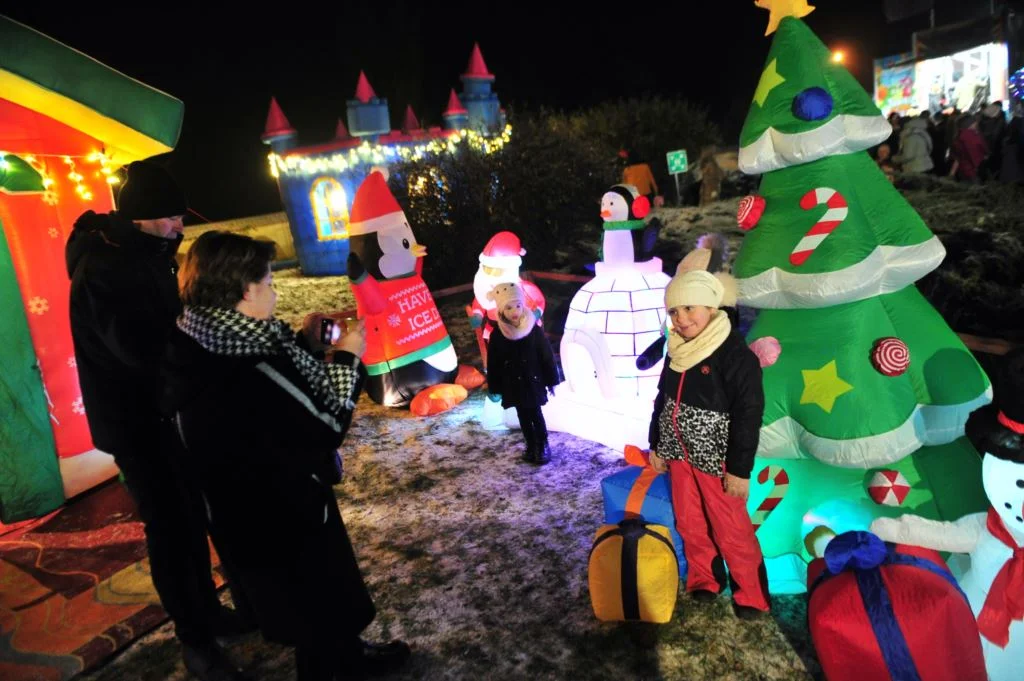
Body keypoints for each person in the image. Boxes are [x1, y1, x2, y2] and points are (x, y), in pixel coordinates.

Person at [163, 231, 410, 681]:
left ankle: (348, 655)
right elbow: (325, 425)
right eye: (268, 283)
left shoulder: (207, 341)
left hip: (249, 514)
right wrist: (347, 359)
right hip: (282, 517)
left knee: (313, 610)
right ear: (245, 291)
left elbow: (273, 398)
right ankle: (338, 666)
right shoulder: (248, 362)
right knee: (317, 612)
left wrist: (306, 341)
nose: (275, 291)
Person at [66, 161, 251, 681]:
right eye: (171, 217)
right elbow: (141, 351)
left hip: (166, 412)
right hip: (138, 425)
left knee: (192, 517)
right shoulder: (107, 269)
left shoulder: (145, 255)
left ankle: (208, 613)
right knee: (171, 528)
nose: (180, 227)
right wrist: (201, 352)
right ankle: (195, 641)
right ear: (142, 217)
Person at [647, 269, 770, 619]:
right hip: (679, 455)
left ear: (711, 308)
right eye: (674, 312)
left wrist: (739, 470)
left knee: (731, 528)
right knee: (689, 520)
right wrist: (656, 443)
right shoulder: (676, 350)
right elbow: (663, 399)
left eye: (689, 309)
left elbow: (749, 414)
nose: (682, 319)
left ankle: (751, 594)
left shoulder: (735, 356)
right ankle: (706, 578)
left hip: (716, 461)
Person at [485, 282, 560, 465]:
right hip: (513, 383)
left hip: (532, 380)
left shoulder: (532, 329)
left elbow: (546, 356)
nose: (514, 311)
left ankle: (542, 444)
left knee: (535, 413)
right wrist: (494, 386)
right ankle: (530, 444)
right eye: (509, 307)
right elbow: (494, 362)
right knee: (523, 415)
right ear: (501, 310)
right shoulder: (498, 334)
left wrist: (551, 380)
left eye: (518, 305)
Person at [949, 114, 988, 183]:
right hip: (973, 172)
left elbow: (957, 158)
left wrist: (952, 173)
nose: (976, 123)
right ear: (970, 124)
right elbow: (976, 155)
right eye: (974, 122)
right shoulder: (971, 136)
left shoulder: (958, 136)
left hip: (962, 171)